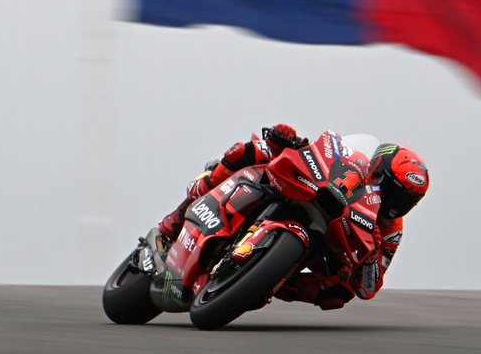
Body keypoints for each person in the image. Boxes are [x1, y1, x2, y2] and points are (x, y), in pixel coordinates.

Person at [275, 143, 429, 310]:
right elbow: (322, 151)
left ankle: (271, 284)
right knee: (263, 149)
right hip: (310, 194)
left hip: (332, 245)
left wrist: (371, 255)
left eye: (406, 201)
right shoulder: (356, 162)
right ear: (379, 171)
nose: (395, 205)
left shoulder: (392, 230)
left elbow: (368, 290)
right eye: (392, 192)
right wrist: (295, 142)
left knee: (340, 290)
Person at [157, 123, 308, 242]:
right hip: (235, 192)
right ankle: (173, 222)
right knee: (246, 152)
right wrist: (282, 139)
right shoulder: (265, 153)